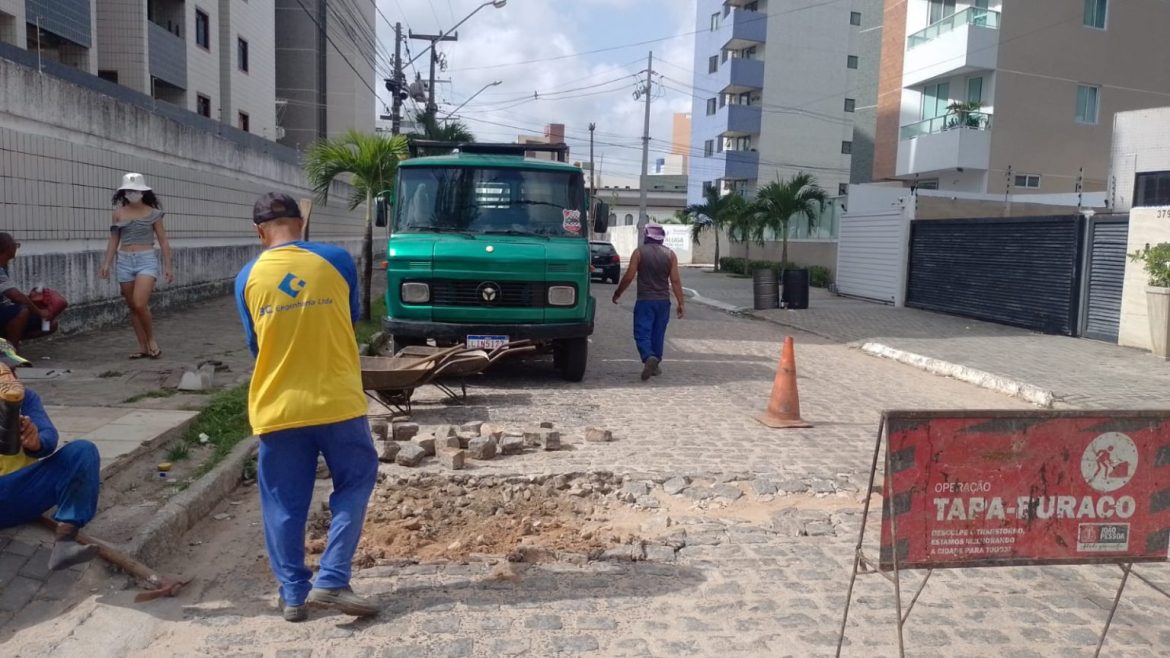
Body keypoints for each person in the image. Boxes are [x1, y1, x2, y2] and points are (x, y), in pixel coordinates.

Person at [235, 192, 378, 623]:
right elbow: (350, 318)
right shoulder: (336, 260)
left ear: (259, 232)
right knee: (354, 483)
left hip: (278, 408)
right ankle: (332, 578)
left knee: (284, 504)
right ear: (301, 222)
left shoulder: (247, 277)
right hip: (338, 402)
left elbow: (255, 345)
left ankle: (294, 595)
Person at [0, 340, 101, 571]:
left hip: (20, 492)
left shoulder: (26, 399)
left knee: (83, 451)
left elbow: (49, 437)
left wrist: (36, 442)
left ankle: (65, 541)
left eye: (13, 371)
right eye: (5, 372)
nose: (12, 378)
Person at [99, 173, 174, 360]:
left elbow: (163, 241)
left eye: (136, 190)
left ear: (143, 192)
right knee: (133, 306)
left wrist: (168, 266)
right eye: (129, 190)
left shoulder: (153, 213)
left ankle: (151, 340)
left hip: (146, 259)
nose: (132, 193)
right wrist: (107, 263)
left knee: (140, 303)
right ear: (123, 192)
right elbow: (114, 239)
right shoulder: (118, 213)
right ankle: (142, 346)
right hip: (124, 260)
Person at [612, 223, 686, 380]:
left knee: (642, 332)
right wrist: (681, 302)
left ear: (646, 235)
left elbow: (629, 276)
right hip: (663, 302)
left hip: (645, 300)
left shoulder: (639, 253)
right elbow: (675, 281)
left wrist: (618, 292)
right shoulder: (670, 255)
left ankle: (648, 356)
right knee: (658, 333)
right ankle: (655, 362)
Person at [0, 233, 52, 348]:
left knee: (50, 324)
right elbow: (16, 296)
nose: (17, 248)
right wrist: (40, 312)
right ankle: (10, 353)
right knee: (22, 311)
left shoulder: (3, 267)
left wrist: (31, 299)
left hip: (4, 312)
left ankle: (6, 344)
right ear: (9, 247)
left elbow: (12, 296)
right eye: (16, 245)